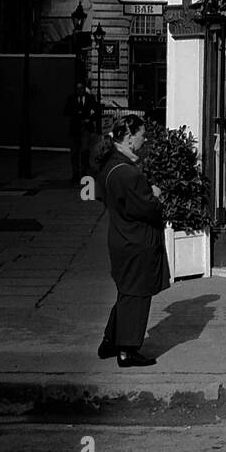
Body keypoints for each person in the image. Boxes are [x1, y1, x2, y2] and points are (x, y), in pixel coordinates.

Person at [91, 115, 169, 367]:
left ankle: (110, 342)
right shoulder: (128, 174)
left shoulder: (109, 166)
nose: (144, 139)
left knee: (127, 293)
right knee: (137, 295)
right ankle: (127, 349)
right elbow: (148, 208)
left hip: (121, 237)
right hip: (137, 241)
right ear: (129, 136)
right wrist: (156, 195)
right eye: (141, 134)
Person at [62, 80, 101, 181]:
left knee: (84, 150)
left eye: (82, 88)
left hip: (86, 128)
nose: (80, 90)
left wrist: (90, 119)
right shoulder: (71, 98)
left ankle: (84, 171)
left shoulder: (90, 98)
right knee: (74, 152)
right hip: (75, 128)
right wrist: (76, 113)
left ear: (84, 89)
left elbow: (96, 111)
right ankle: (75, 173)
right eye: (78, 88)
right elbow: (65, 111)